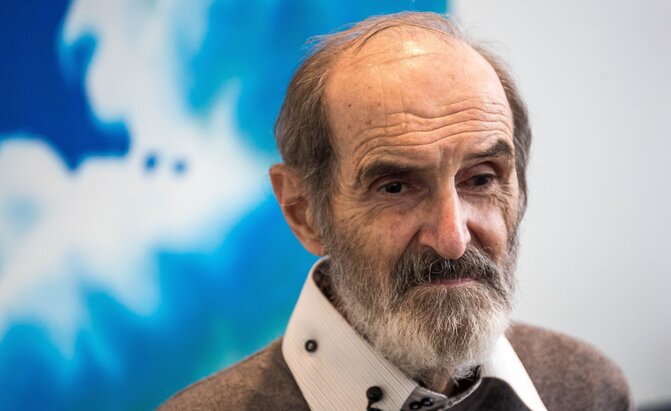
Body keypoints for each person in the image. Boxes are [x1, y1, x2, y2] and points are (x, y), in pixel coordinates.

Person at [160, 12, 634, 411]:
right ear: (303, 211)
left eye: (481, 179)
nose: (453, 239)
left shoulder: (584, 389)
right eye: (395, 187)